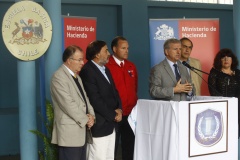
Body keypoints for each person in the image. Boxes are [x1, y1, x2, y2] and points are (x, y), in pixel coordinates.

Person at [50, 45, 95, 160]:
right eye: (79, 59)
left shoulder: (77, 77)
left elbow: (86, 99)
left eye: (82, 59)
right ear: (69, 61)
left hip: (81, 132)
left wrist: (91, 116)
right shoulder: (58, 77)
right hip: (69, 135)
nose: (82, 62)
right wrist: (86, 119)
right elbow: (68, 104)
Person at [80, 40, 122, 160]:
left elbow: (114, 92)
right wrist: (113, 114)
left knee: (109, 157)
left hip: (111, 124)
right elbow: (94, 99)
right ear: (97, 54)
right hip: (99, 125)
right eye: (106, 50)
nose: (109, 53)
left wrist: (119, 109)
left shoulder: (105, 69)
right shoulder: (88, 71)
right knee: (98, 157)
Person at [106, 36, 138, 160]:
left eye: (127, 48)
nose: (126, 51)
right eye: (123, 48)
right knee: (112, 148)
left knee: (129, 147)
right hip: (115, 114)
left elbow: (134, 88)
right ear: (114, 49)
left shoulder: (131, 66)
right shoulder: (107, 66)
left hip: (130, 114)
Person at [208, 48, 240, 128]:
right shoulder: (214, 73)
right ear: (219, 60)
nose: (226, 59)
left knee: (235, 131)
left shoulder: (238, 73)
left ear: (232, 60)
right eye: (223, 57)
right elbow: (213, 92)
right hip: (221, 107)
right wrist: (226, 104)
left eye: (228, 57)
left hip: (237, 107)